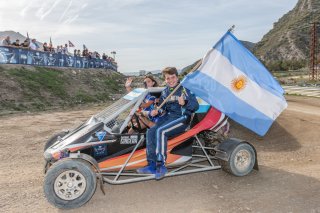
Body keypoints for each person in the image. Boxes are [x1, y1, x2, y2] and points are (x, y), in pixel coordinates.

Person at [137, 67, 199, 179]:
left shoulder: (185, 89)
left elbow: (195, 106)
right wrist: (156, 112)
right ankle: (152, 164)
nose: (171, 80)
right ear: (165, 80)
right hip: (168, 118)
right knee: (151, 131)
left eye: (173, 77)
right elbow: (162, 108)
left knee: (161, 131)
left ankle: (161, 164)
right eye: (168, 78)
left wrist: (185, 103)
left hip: (182, 118)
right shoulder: (165, 91)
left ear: (177, 77)